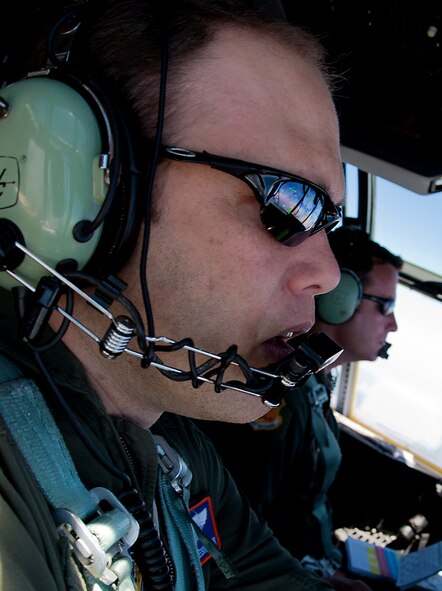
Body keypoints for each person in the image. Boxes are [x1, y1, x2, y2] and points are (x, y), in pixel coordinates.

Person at [0, 0, 349, 589]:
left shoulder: (175, 447)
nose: (330, 275)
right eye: (285, 205)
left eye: (329, 224)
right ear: (76, 191)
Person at [198, 227, 402, 590]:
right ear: (340, 297)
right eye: (385, 306)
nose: (394, 325)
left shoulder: (315, 385)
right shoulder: (278, 396)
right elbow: (241, 533)